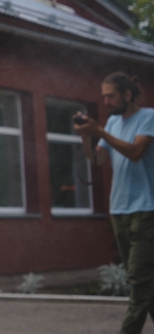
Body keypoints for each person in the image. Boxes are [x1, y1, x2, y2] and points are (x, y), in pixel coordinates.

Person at [77, 72, 154, 334]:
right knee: (145, 282)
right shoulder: (111, 123)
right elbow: (98, 160)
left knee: (139, 280)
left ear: (128, 94)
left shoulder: (148, 117)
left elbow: (135, 152)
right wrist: (86, 137)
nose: (106, 101)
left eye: (110, 96)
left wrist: (99, 131)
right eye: (104, 96)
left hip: (146, 210)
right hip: (119, 209)